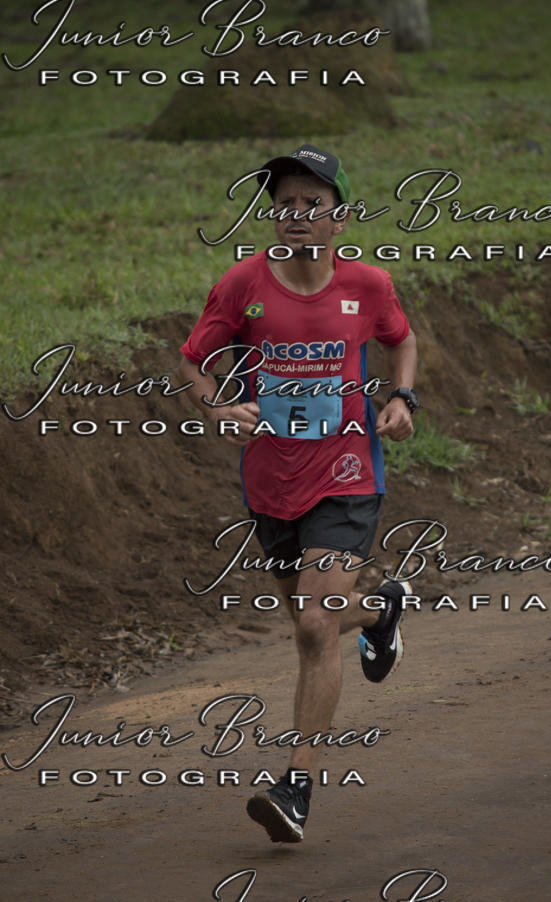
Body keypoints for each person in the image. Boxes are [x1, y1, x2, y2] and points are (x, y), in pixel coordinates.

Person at [178, 144, 418, 844]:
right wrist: (218, 410)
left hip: (347, 473)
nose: (296, 214)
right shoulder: (242, 283)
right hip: (271, 478)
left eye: (313, 202)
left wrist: (402, 396)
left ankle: (298, 783)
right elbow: (193, 360)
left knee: (315, 626)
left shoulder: (370, 285)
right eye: (284, 202)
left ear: (340, 219)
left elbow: (402, 342)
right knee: (313, 619)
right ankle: (379, 610)